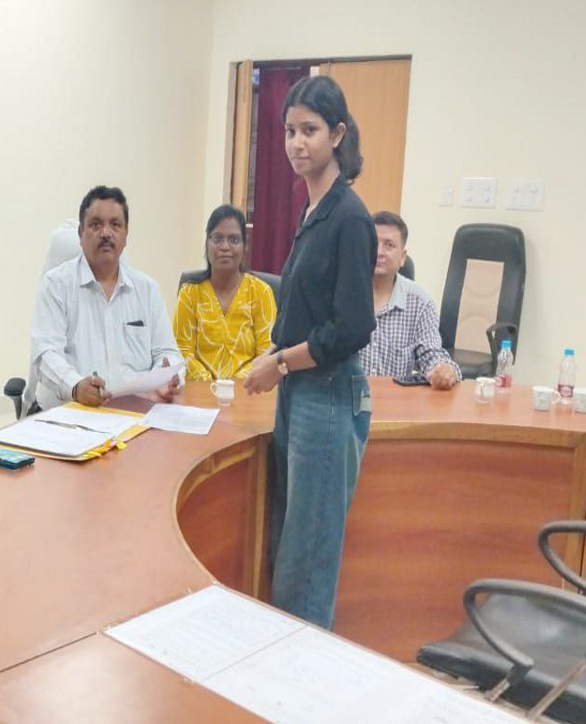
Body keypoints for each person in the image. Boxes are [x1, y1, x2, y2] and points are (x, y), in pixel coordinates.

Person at [243, 76, 376, 630]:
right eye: (289, 131)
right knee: (289, 545)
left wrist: (278, 363)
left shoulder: (349, 217)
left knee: (308, 558)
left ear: (337, 134)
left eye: (310, 131)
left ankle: (300, 673)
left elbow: (351, 328)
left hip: (326, 393)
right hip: (299, 392)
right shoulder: (312, 208)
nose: (297, 143)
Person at [27, 185, 184, 412]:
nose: (106, 233)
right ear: (81, 233)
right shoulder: (56, 285)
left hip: (134, 415)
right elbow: (46, 354)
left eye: (115, 225)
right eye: (96, 225)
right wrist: (75, 386)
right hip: (71, 414)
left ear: (126, 234)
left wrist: (165, 378)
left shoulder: (147, 290)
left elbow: (168, 353)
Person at [358, 211, 460, 389]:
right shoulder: (341, 294)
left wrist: (444, 370)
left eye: (389, 245)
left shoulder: (419, 303)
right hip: (347, 400)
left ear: (402, 257)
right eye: (373, 243)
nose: (379, 252)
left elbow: (432, 356)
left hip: (395, 402)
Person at [174, 204, 276, 382]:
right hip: (199, 390)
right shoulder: (189, 294)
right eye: (217, 238)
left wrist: (233, 385)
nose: (225, 247)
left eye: (234, 240)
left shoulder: (261, 293)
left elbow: (266, 353)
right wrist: (210, 385)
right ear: (207, 243)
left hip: (248, 389)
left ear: (245, 246)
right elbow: (182, 351)